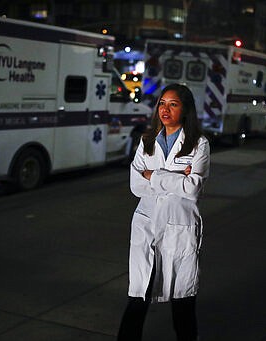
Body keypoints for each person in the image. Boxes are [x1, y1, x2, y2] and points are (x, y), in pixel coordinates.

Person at [117, 83, 210, 341]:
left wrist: (154, 175)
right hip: (147, 224)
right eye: (162, 103)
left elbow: (192, 190)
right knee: (138, 295)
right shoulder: (147, 141)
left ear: (185, 109)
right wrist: (176, 177)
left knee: (182, 299)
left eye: (173, 104)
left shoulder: (198, 144)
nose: (165, 109)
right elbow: (136, 185)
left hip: (179, 228)